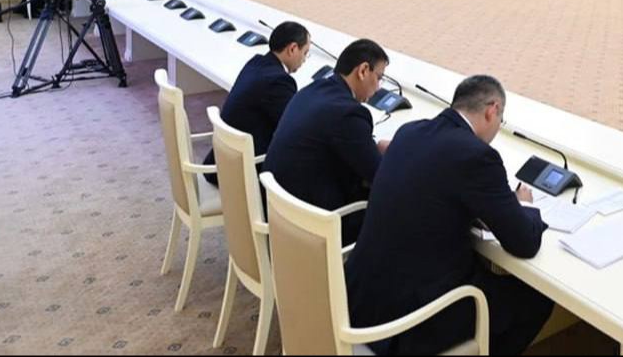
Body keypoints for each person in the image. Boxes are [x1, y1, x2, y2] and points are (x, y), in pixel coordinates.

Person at [346, 75, 552, 355]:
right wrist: (525, 205)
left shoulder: (409, 132)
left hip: (362, 301)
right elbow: (524, 243)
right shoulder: (477, 156)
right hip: (410, 321)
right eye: (500, 121)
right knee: (537, 299)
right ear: (492, 110)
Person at [264, 38, 390, 245]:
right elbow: (380, 176)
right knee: (398, 205)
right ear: (363, 70)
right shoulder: (349, 113)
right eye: (379, 77)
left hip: (281, 216)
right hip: (314, 227)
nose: (378, 88)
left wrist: (371, 147)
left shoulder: (312, 90)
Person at [202, 21, 311, 186]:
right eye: (305, 53)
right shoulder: (279, 81)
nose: (304, 60)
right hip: (242, 174)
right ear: (292, 49)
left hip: (222, 162)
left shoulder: (256, 62)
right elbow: (291, 130)